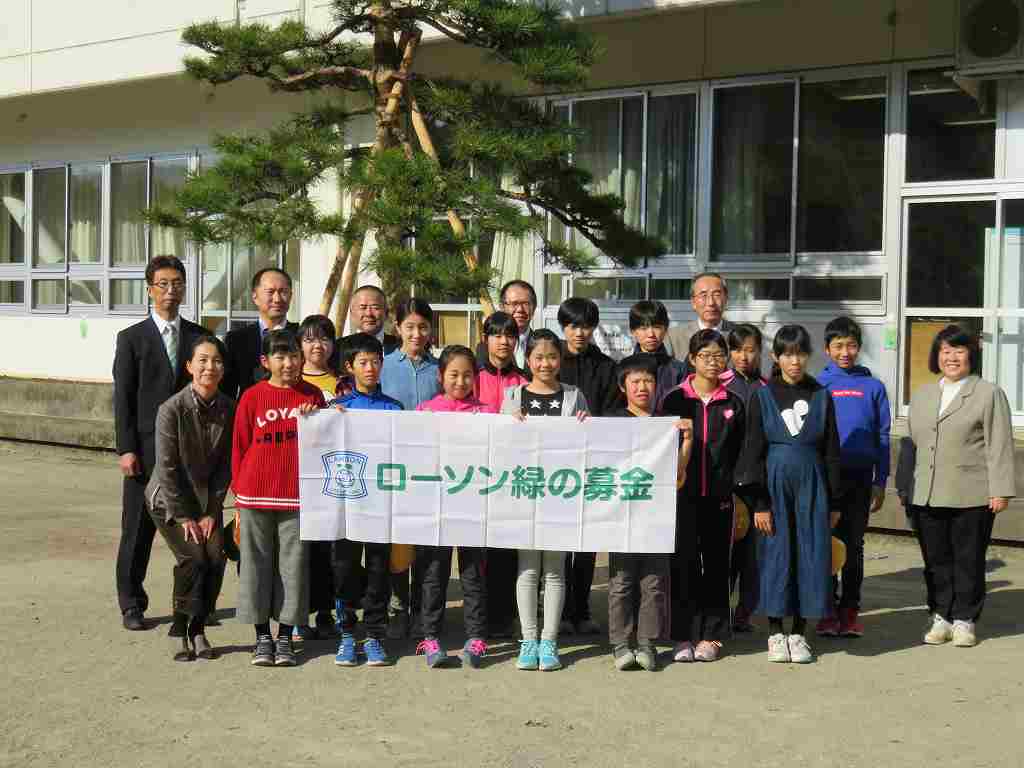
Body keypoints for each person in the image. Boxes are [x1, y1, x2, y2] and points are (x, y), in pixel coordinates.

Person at [895, 325, 1015, 648]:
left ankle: (965, 618)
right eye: (945, 351)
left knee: (969, 559)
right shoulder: (922, 395)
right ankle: (941, 615)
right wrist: (904, 487)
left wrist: (1000, 490)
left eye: (959, 351)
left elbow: (999, 444)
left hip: (972, 494)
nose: (951, 357)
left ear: (971, 356)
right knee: (935, 560)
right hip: (926, 493)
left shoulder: (988, 393)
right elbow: (911, 445)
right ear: (937, 356)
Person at [737, 325, 841, 664]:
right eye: (787, 354)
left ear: (808, 356)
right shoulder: (763, 396)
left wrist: (834, 501)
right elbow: (752, 452)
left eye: (799, 353)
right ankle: (774, 631)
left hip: (812, 486)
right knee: (775, 555)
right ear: (775, 357)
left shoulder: (821, 395)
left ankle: (798, 632)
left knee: (810, 556)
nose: (794, 360)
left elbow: (831, 451)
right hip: (774, 486)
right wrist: (760, 503)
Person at [113, 254, 204, 631]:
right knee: (137, 531)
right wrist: (126, 448)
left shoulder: (199, 337)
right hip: (145, 451)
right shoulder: (132, 338)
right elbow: (124, 397)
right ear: (149, 289)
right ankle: (132, 603)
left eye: (177, 284)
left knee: (192, 530)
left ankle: (195, 604)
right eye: (163, 284)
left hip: (187, 451)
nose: (171, 291)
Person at [231, 329, 326, 667]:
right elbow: (239, 446)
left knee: (293, 567)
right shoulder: (252, 397)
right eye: (280, 356)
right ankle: (261, 636)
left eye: (293, 355)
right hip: (255, 494)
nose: (288, 363)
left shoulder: (313, 396)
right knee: (255, 567)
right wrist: (238, 497)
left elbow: (325, 442)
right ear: (265, 361)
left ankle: (285, 636)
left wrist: (326, 416)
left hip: (297, 498)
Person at [501, 329, 590, 672]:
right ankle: (528, 640)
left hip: (560, 495)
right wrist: (507, 424)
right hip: (524, 494)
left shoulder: (574, 396)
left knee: (554, 571)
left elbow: (589, 445)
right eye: (538, 357)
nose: (545, 363)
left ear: (561, 360)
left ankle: (549, 641)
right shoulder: (512, 396)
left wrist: (587, 424)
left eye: (552, 357)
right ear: (527, 360)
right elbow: (498, 445)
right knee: (527, 569)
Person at [146, 334, 234, 660]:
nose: (209, 367)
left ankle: (197, 627)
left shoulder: (229, 407)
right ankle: (180, 629)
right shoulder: (171, 409)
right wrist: (183, 517)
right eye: (203, 360)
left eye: (216, 361)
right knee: (193, 557)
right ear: (189, 366)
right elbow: (167, 468)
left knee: (215, 556)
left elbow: (226, 466)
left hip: (206, 500)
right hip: (168, 499)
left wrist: (212, 510)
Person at [660, 330, 747, 663]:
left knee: (716, 568)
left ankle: (714, 637)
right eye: (706, 355)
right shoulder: (673, 400)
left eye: (719, 355)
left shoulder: (733, 402)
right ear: (693, 359)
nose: (713, 361)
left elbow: (741, 453)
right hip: (681, 499)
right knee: (681, 565)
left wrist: (738, 495)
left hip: (720, 499)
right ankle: (681, 634)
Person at [606, 354, 693, 671]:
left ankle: (647, 644)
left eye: (648, 381)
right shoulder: (612, 421)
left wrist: (687, 440)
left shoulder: (665, 423)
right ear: (622, 386)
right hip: (622, 516)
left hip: (657, 516)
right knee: (621, 582)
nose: (643, 387)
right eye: (635, 381)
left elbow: (678, 474)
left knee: (654, 583)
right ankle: (620, 645)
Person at [328, 333, 404, 667]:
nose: (370, 368)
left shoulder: (395, 408)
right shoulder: (336, 409)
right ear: (349, 367)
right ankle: (346, 634)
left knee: (377, 572)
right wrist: (320, 417)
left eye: (375, 361)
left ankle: (373, 634)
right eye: (363, 362)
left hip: (380, 507)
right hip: (345, 507)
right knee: (343, 570)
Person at [414, 345, 491, 668]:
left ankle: (475, 637)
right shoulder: (426, 410)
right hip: (437, 504)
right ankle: (430, 636)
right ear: (440, 376)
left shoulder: (487, 413)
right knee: (434, 572)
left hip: (474, 505)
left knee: (473, 573)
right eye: (454, 375)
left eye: (467, 375)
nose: (461, 381)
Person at [815, 317, 892, 639]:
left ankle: (850, 611)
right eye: (838, 346)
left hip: (861, 478)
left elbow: (883, 436)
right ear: (827, 349)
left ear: (859, 347)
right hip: (826, 479)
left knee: (855, 546)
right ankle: (826, 611)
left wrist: (881, 480)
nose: (845, 352)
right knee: (827, 545)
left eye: (851, 345)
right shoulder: (819, 385)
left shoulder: (873, 386)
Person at [556, 297, 618, 637]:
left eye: (585, 325)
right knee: (559, 542)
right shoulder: (552, 362)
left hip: (593, 462)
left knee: (586, 542)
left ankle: (581, 610)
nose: (579, 332)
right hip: (557, 464)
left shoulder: (606, 366)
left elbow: (610, 413)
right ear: (563, 327)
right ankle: (561, 610)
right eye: (573, 325)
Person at [381, 297, 440, 639]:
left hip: (433, 468)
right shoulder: (385, 366)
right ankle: (398, 606)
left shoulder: (440, 369)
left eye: (423, 327)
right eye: (409, 327)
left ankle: (423, 608)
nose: (416, 334)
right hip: (395, 467)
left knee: (428, 542)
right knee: (398, 540)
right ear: (397, 328)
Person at [474, 311, 528, 638]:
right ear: (486, 339)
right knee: (478, 550)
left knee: (508, 549)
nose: (503, 341)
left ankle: (505, 617)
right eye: (496, 335)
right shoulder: (474, 378)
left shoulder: (524, 381)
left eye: (509, 335)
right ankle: (478, 617)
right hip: (476, 475)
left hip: (514, 477)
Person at [297, 314, 342, 640]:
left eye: (324, 338)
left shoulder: (343, 382)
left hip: (335, 476)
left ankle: (327, 611)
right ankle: (299, 614)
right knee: (301, 550)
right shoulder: (291, 380)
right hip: (299, 478)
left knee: (332, 549)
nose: (318, 345)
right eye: (310, 339)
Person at [723, 323, 767, 632]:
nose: (743, 356)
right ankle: (718, 609)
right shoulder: (720, 385)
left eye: (750, 349)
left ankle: (745, 611)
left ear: (760, 352)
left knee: (753, 556)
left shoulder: (768, 389)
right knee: (723, 555)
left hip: (757, 484)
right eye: (737, 349)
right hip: (724, 484)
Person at [222, 267, 298, 399]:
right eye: (270, 292)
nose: (277, 299)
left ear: (291, 295)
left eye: (283, 292)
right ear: (255, 297)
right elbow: (227, 392)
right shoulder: (236, 340)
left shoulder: (301, 336)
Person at [665, 273, 735, 370]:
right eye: (704, 295)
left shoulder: (741, 335)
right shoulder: (673, 337)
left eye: (717, 295)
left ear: (726, 299)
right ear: (693, 302)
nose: (711, 302)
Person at [629, 299, 686, 408]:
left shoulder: (679, 370)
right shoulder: (623, 369)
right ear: (633, 331)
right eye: (643, 328)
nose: (651, 334)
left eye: (657, 327)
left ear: (666, 329)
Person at [475, 280, 537, 369]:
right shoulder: (485, 348)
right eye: (514, 304)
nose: (520, 309)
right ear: (502, 307)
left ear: (534, 307)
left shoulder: (542, 345)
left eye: (526, 304)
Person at [338, 285, 400, 356]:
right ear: (352, 313)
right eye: (363, 308)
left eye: (375, 308)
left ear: (386, 313)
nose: (368, 313)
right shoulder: (338, 349)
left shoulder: (401, 347)